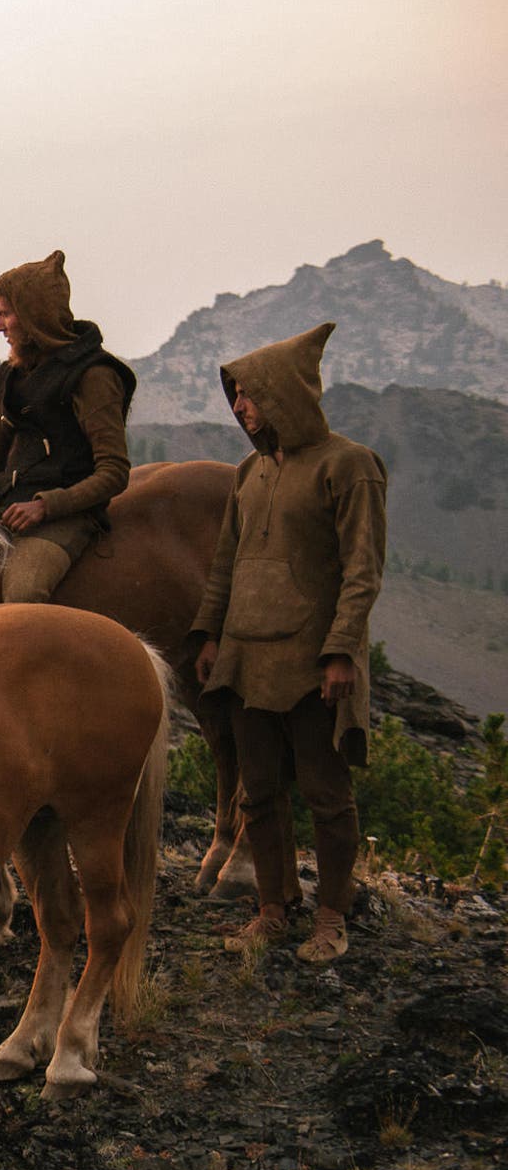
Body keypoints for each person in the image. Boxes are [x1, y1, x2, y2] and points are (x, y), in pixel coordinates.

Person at [190, 322, 387, 963]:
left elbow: (362, 571)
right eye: (237, 395)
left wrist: (339, 651)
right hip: (245, 658)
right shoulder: (249, 472)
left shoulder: (348, 466)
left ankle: (331, 919)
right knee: (258, 792)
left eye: (248, 394)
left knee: (327, 796)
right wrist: (210, 636)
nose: (240, 407)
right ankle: (273, 910)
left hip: (311, 662)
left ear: (284, 394)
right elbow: (226, 564)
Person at [0, 250, 136, 603]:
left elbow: (114, 472)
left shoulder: (94, 377)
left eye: (6, 314)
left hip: (64, 518)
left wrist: (46, 505)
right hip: (3, 509)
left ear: (32, 316)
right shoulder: (10, 376)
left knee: (22, 595)